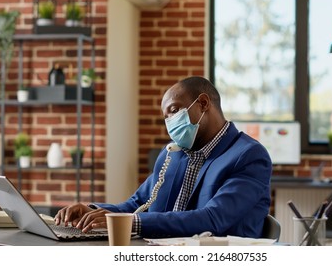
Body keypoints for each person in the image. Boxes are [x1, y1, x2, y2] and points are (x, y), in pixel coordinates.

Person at [54, 76, 272, 238]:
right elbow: (137, 205)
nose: (170, 123)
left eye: (174, 110)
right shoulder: (172, 155)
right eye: (166, 117)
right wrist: (93, 212)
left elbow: (213, 219)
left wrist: (131, 223)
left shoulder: (248, 156)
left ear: (203, 103)